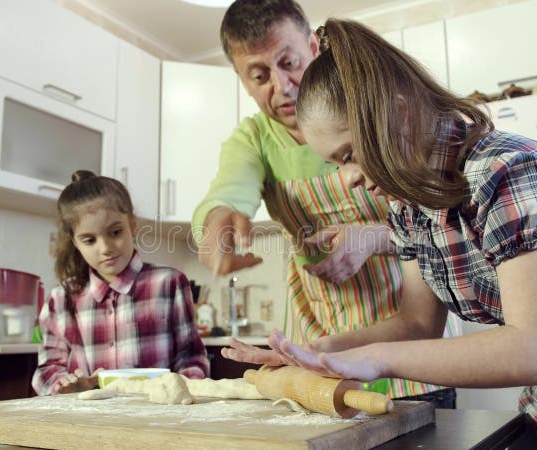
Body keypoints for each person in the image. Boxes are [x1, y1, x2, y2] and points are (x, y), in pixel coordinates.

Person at [240, 18, 537, 448]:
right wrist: (318, 352)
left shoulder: (508, 172)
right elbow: (417, 324)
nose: (351, 178)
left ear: (397, 114)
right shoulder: (409, 205)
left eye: (351, 154)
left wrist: (375, 357)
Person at [193, 0, 458, 404]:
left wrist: (376, 237)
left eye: (289, 62)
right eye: (259, 75)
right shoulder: (254, 140)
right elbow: (228, 191)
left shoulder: (369, 110)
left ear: (314, 47)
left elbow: (439, 217)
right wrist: (218, 220)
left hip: (414, 338)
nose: (281, 86)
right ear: (241, 80)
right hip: (322, 347)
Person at [33, 170, 209, 395]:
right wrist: (66, 387)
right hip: (87, 421)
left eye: (115, 232)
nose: (105, 248)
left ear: (133, 225)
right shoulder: (61, 298)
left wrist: (182, 388)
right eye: (90, 240)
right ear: (75, 242)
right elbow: (47, 370)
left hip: (158, 418)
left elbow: (192, 357)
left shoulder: (169, 283)